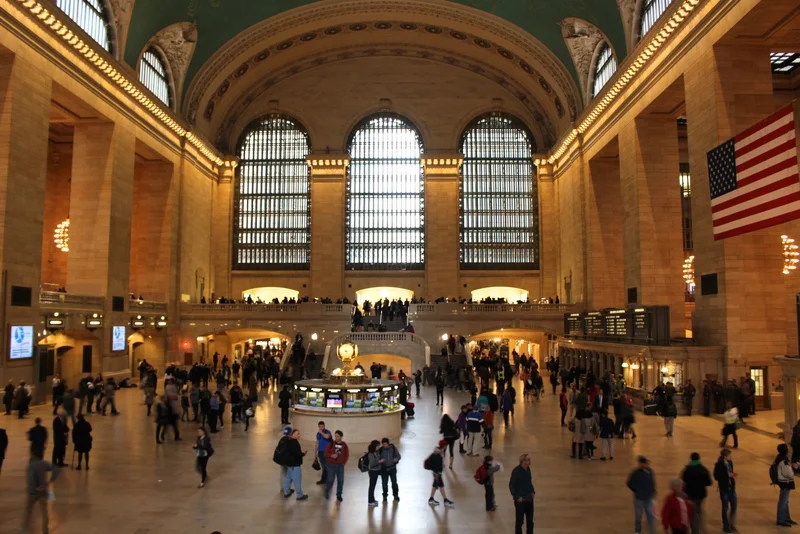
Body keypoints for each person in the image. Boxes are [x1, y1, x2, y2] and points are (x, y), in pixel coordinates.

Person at [23, 454, 60, 534]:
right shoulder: (44, 463)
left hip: (33, 492)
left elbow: (31, 477)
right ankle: (45, 530)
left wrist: (35, 487)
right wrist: (50, 481)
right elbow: (56, 469)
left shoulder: (31, 466)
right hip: (43, 491)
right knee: (44, 512)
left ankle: (25, 528)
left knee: (28, 511)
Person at [681, 452, 712, 534]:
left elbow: (683, 481)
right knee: (698, 511)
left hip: (690, 494)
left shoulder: (687, 469)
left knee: (693, 513)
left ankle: (695, 529)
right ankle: (698, 529)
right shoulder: (703, 469)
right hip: (700, 495)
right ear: (699, 459)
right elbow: (709, 482)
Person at [626, 456, 656, 534]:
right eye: (646, 463)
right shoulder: (636, 473)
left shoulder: (650, 471)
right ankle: (637, 531)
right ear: (641, 464)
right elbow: (629, 483)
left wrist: (653, 491)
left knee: (650, 515)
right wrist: (636, 490)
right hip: (639, 498)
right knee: (638, 516)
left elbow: (652, 482)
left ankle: (652, 531)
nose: (647, 464)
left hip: (649, 497)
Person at [509, 453, 535, 534]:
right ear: (523, 461)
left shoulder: (528, 469)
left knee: (530, 521)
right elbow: (512, 485)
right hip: (521, 501)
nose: (530, 461)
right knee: (520, 521)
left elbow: (529, 481)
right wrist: (517, 497)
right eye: (528, 460)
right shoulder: (516, 471)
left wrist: (533, 491)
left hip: (529, 499)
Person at [713, 448, 737, 533]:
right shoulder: (719, 464)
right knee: (725, 507)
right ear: (725, 456)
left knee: (734, 506)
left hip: (731, 488)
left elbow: (730, 472)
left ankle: (731, 524)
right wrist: (727, 475)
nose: (731, 457)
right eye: (729, 455)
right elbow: (716, 476)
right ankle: (726, 525)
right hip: (724, 489)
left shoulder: (730, 463)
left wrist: (732, 475)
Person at [774, 443, 797, 526]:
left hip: (784, 483)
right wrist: (794, 468)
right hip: (785, 483)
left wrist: (790, 465)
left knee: (785, 501)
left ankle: (786, 518)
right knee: (783, 502)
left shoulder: (780, 458)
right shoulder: (783, 460)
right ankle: (781, 520)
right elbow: (788, 474)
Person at [426, 440, 454, 507]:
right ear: (443, 446)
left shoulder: (439, 452)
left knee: (436, 485)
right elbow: (437, 464)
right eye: (445, 445)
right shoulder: (438, 454)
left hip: (436, 473)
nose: (446, 446)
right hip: (437, 473)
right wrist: (438, 472)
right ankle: (445, 500)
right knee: (440, 485)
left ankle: (432, 499)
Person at [283, 429, 308, 500]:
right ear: (293, 434)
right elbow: (296, 453)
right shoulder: (294, 442)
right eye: (297, 434)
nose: (299, 435)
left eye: (299, 434)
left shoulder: (288, 441)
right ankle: (299, 495)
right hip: (295, 465)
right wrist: (303, 454)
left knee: (288, 479)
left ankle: (286, 492)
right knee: (297, 480)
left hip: (290, 465)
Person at [324, 430, 349, 502]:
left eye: (337, 436)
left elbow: (346, 454)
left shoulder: (344, 445)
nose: (336, 437)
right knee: (330, 480)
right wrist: (331, 455)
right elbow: (325, 453)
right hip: (331, 465)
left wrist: (343, 462)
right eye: (335, 436)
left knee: (340, 481)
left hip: (340, 465)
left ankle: (339, 495)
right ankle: (327, 491)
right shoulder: (331, 444)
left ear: (341, 437)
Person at [379, 437, 401, 502]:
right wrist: (380, 461)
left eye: (385, 444)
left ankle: (395, 495)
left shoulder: (393, 449)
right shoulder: (380, 450)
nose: (384, 446)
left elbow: (399, 456)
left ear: (388, 444)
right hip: (384, 469)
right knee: (384, 483)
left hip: (392, 469)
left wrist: (396, 459)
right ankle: (385, 496)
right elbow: (377, 459)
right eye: (383, 444)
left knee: (394, 482)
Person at [316, 421, 332, 486]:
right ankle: (323, 480)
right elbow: (317, 443)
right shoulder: (318, 434)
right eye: (320, 426)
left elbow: (327, 437)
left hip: (327, 452)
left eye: (323, 426)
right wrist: (316, 452)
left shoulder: (327, 432)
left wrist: (321, 432)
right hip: (320, 452)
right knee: (323, 467)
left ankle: (328, 480)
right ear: (318, 427)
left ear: (324, 426)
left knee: (327, 466)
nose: (321, 427)